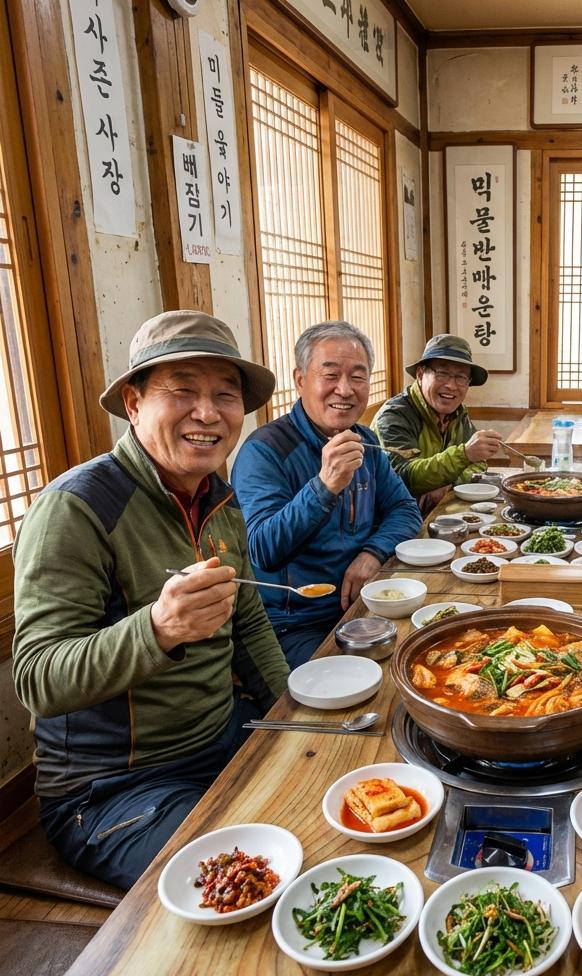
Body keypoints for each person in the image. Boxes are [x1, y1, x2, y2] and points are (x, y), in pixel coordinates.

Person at [13, 310, 289, 889]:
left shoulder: (219, 497)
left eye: (225, 395)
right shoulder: (76, 508)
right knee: (249, 881)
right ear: (134, 404)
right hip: (114, 788)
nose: (207, 413)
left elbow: (250, 623)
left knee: (337, 791)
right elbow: (38, 678)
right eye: (182, 391)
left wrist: (293, 716)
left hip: (223, 736)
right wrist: (159, 628)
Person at [232, 321, 421, 669]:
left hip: (363, 605)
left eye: (358, 376)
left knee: (425, 657)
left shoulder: (364, 439)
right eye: (330, 375)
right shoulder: (264, 451)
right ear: (300, 379)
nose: (345, 390)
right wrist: (325, 485)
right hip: (292, 625)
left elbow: (405, 509)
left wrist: (372, 554)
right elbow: (263, 550)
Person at [371, 334, 502, 511]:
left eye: (461, 377)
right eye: (442, 374)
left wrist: (450, 484)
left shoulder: (458, 413)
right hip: (392, 515)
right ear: (420, 374)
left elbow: (478, 463)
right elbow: (403, 475)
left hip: (437, 511)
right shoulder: (394, 416)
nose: (451, 385)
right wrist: (464, 455)